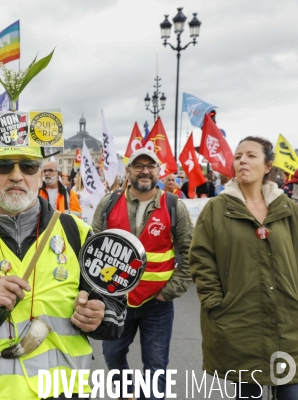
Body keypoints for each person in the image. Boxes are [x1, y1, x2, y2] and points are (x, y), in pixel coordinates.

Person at [0, 146, 126, 399]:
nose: (16, 176)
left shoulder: (78, 234)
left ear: (40, 176)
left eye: (28, 166)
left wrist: (99, 316)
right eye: (4, 166)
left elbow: (117, 311)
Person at [190, 136, 298, 399]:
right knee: (248, 395)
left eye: (251, 155)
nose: (242, 161)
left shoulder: (287, 209)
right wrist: (216, 303)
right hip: (240, 323)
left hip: (288, 322)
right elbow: (201, 260)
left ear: (268, 165)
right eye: (238, 156)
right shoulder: (216, 209)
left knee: (290, 393)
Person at [92, 148, 194, 399]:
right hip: (116, 302)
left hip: (157, 303)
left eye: (151, 166)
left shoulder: (173, 206)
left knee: (156, 366)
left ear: (159, 171)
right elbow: (91, 248)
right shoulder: (108, 203)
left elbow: (191, 255)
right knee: (112, 357)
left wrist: (169, 292)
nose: (145, 171)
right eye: (138, 166)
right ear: (129, 171)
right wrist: (98, 292)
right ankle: (127, 393)